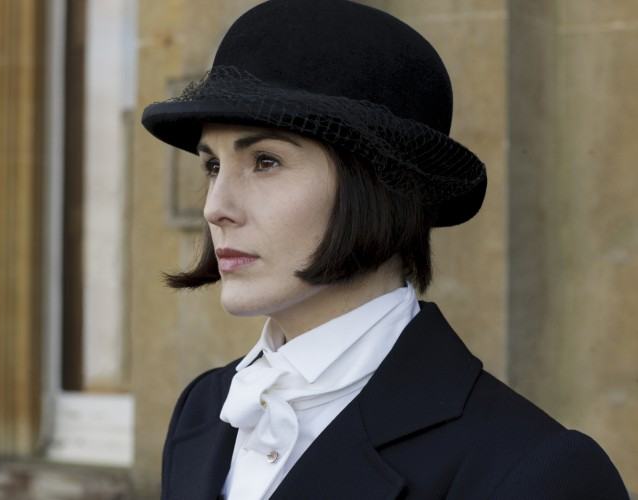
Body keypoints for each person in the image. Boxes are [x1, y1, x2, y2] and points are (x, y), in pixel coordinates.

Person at [141, 1, 630, 499]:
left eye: (265, 161)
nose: (215, 207)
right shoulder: (204, 412)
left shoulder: (534, 471)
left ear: (378, 185)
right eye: (212, 167)